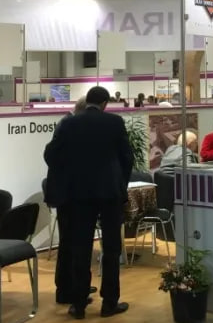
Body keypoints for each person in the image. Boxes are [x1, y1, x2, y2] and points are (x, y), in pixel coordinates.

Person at [44, 86, 133, 319]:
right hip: (109, 194)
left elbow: (51, 156)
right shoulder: (114, 122)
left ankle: (79, 304)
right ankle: (110, 303)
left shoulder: (70, 123)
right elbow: (127, 157)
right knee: (111, 249)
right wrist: (120, 185)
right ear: (105, 103)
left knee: (80, 248)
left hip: (79, 195)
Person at [48, 96, 94, 307]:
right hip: (71, 195)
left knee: (69, 243)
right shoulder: (70, 127)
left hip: (65, 194)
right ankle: (70, 290)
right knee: (73, 244)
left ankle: (72, 286)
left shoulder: (65, 125)